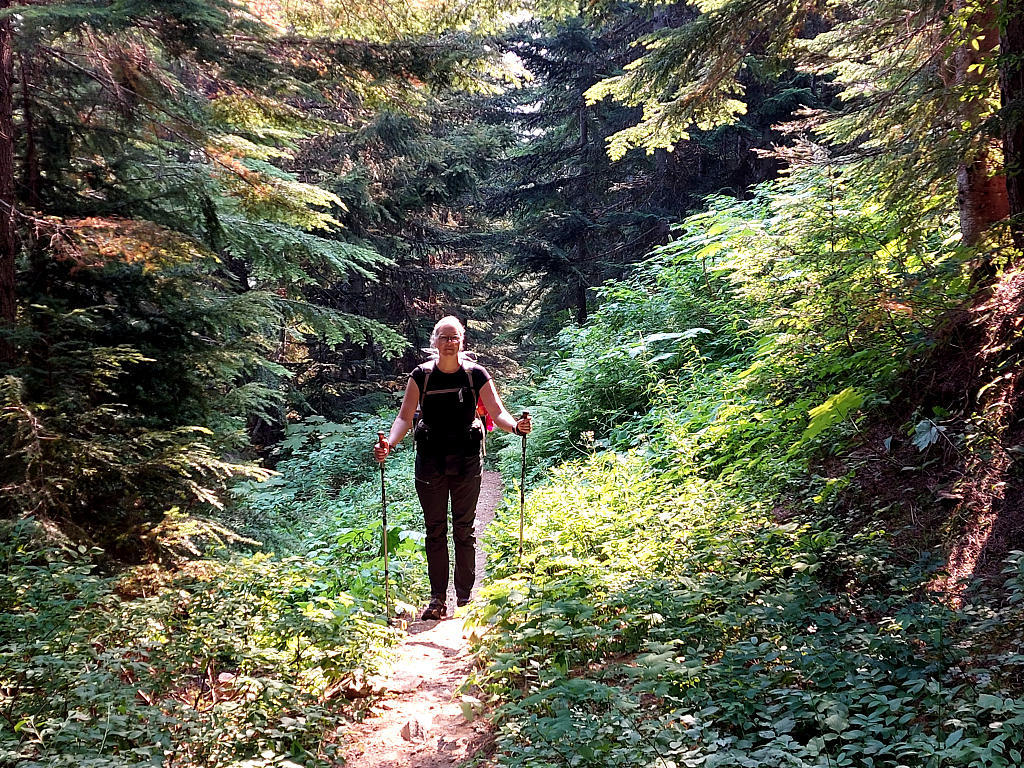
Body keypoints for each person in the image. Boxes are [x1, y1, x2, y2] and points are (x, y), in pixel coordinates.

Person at [373, 316, 532, 621]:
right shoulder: (421, 376)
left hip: (467, 459)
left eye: (455, 337)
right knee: (435, 530)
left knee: (464, 528)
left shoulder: (476, 375)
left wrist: (516, 427)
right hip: (430, 460)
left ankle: (464, 597)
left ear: (462, 341)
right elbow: (404, 418)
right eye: (444, 337)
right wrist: (389, 445)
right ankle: (436, 600)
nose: (449, 342)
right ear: (435, 341)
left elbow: (497, 412)